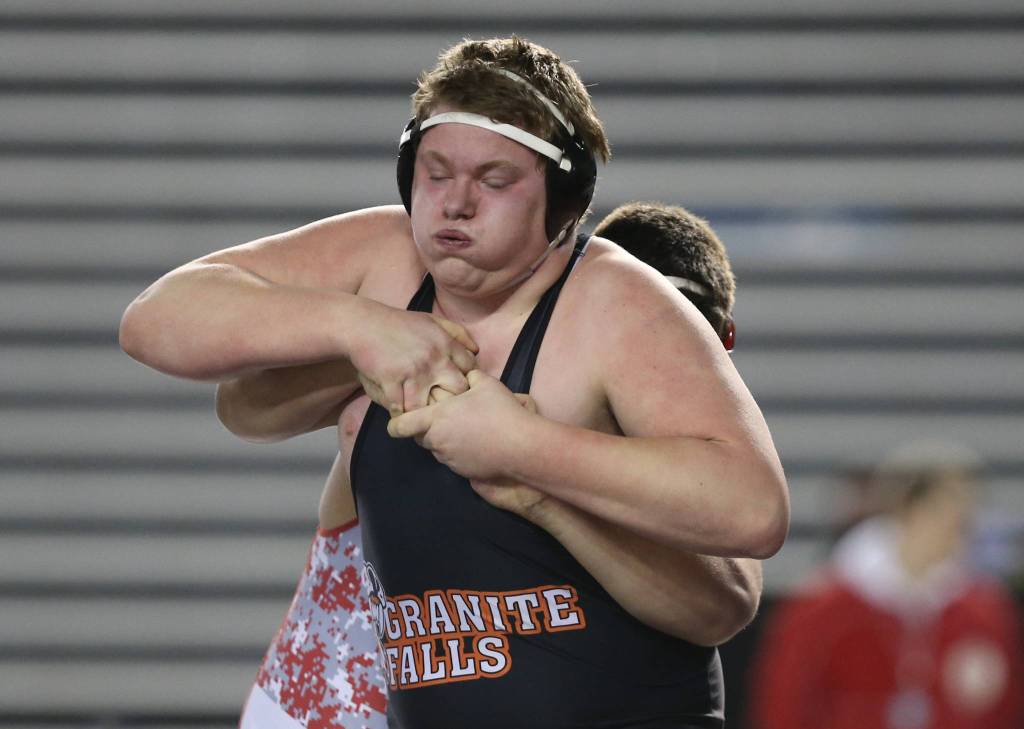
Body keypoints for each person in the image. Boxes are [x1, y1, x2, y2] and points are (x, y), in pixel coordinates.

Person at [121, 36, 788, 728]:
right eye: (435, 174)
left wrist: (526, 452)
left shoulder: (616, 303)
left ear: (564, 202)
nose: (456, 204)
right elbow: (157, 321)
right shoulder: (385, 264)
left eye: (495, 182)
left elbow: (752, 516)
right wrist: (358, 328)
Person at [234, 200, 754, 729]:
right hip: (328, 700)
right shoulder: (449, 377)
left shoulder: (698, 462)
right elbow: (245, 406)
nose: (650, 377)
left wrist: (540, 490)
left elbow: (729, 597)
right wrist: (363, 337)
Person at [749, 441, 1023, 729]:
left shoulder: (983, 610)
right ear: (909, 508)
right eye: (950, 509)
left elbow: (1003, 710)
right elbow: (786, 707)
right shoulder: (822, 607)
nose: (962, 523)